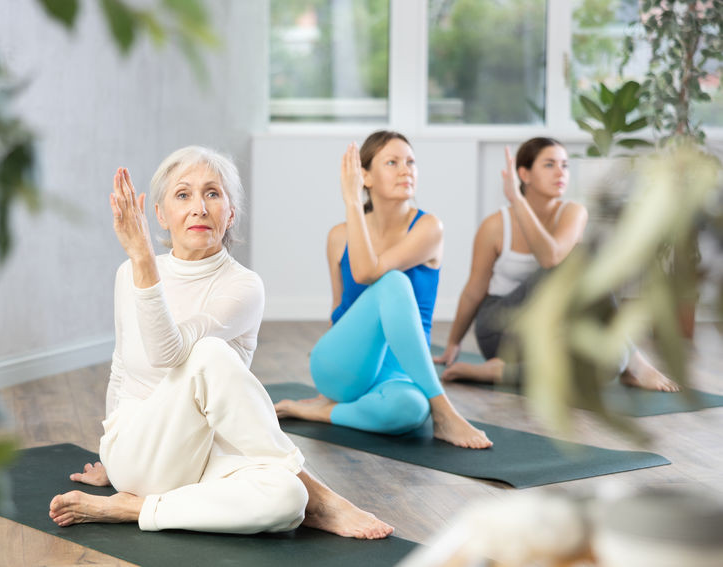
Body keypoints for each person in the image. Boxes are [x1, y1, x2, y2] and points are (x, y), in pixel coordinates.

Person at [48, 146, 393, 539]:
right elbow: (125, 364)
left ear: (230, 213)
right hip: (137, 450)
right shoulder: (132, 271)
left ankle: (139, 508)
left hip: (201, 451)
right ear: (160, 214)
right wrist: (112, 453)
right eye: (183, 195)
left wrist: (142, 261)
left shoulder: (244, 286)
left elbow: (172, 353)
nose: (199, 207)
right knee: (210, 353)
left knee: (287, 498)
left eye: (212, 193)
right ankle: (325, 498)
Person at [274, 131, 492, 449]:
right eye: (392, 162)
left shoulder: (429, 228)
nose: (406, 170)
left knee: (411, 411)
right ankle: (444, 411)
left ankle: (323, 413)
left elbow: (369, 271)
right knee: (393, 281)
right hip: (342, 367)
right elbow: (347, 297)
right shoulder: (339, 236)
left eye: (411, 162)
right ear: (365, 176)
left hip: (399, 372)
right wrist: (352, 200)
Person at [435, 137, 679, 392]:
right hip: (500, 330)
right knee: (579, 258)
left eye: (565, 165)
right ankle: (636, 362)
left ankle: (505, 372)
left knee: (612, 362)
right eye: (549, 165)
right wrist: (453, 344)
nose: (560, 172)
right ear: (524, 174)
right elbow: (476, 289)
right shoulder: (496, 226)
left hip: (548, 329)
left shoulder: (574, 213)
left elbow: (555, 260)